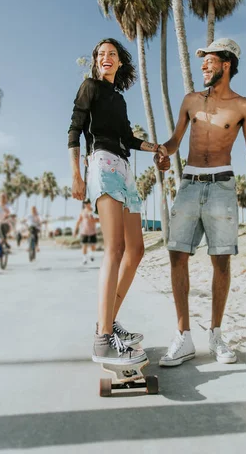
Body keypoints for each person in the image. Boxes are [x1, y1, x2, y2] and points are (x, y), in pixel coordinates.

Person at [155, 38, 246, 367]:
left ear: (227, 64)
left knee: (221, 261)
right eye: (202, 61)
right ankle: (184, 336)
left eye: (210, 61)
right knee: (178, 255)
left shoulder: (243, 106)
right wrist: (164, 153)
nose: (203, 66)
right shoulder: (191, 100)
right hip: (189, 183)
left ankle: (216, 334)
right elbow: (175, 140)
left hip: (221, 186)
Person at [68, 38, 167, 366]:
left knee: (136, 249)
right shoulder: (90, 87)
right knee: (115, 249)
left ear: (120, 62)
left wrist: (155, 148)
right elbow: (74, 130)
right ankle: (102, 339)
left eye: (111, 54)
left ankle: (108, 324)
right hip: (101, 163)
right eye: (100, 54)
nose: (105, 58)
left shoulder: (119, 100)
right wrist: (76, 175)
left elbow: (127, 137)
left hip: (123, 167)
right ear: (96, 62)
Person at [74, 199, 98, 264]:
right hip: (84, 232)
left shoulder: (93, 211)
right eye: (85, 203)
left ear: (90, 203)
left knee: (93, 245)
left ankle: (91, 254)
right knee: (84, 245)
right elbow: (78, 221)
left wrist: (93, 220)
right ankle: (84, 258)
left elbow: (99, 220)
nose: (86, 204)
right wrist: (75, 231)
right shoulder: (82, 212)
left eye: (87, 203)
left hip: (93, 231)